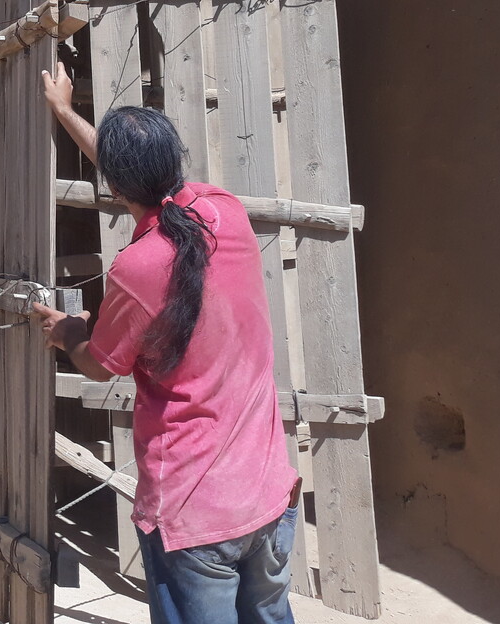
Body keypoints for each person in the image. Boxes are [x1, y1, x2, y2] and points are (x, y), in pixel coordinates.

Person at [32, 64, 300, 624]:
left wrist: (68, 331)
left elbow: (101, 366)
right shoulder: (222, 210)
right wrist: (64, 112)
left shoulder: (138, 268)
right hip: (269, 495)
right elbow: (137, 180)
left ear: (115, 184)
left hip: (194, 513)